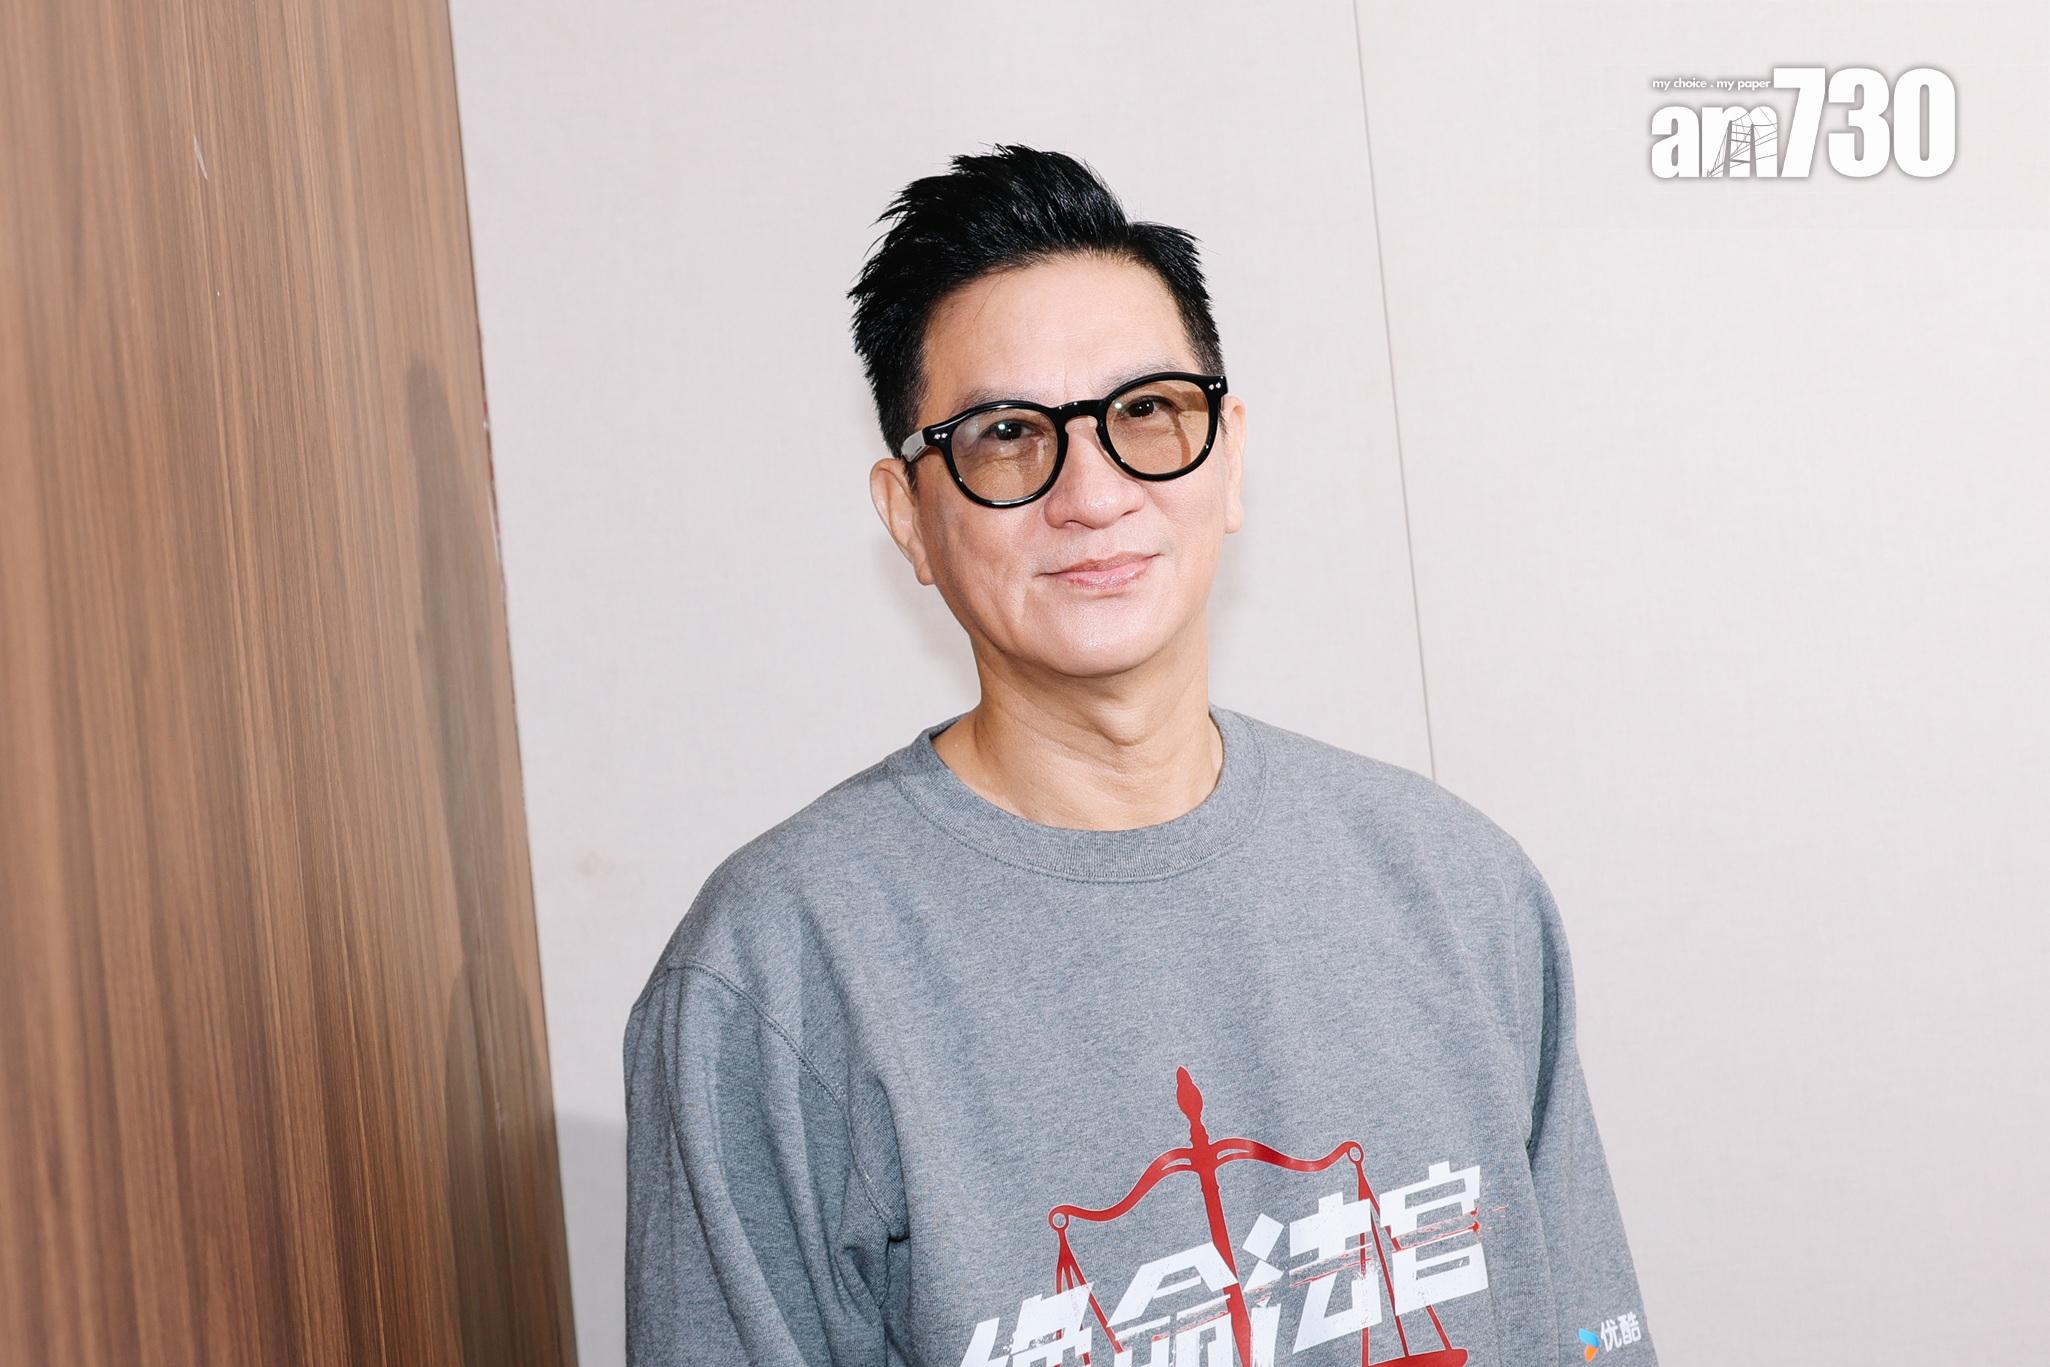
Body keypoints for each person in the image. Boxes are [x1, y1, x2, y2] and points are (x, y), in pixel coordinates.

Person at [624, 144, 1658, 1367]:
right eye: (1005, 435)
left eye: (1146, 412)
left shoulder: (1455, 884)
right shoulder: (779, 973)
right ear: (909, 517)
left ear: (1227, 455)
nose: (1092, 492)